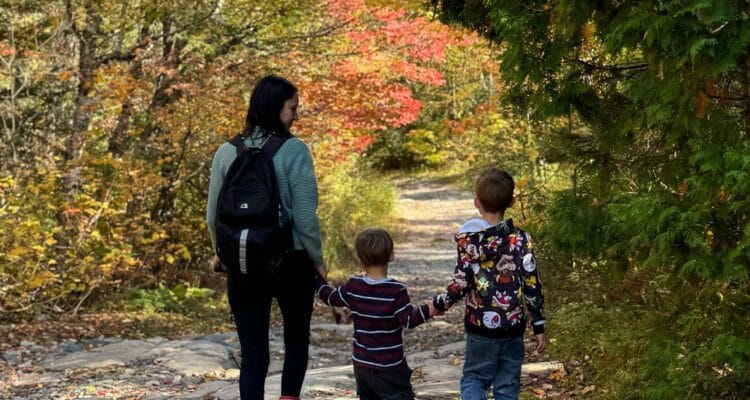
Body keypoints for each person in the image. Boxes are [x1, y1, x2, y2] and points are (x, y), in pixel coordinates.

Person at [206, 75, 326, 400]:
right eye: (292, 108)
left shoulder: (225, 152)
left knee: (253, 351)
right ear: (276, 109)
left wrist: (222, 252)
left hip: (243, 263)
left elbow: (212, 216)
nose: (296, 115)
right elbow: (304, 217)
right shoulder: (295, 150)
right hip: (291, 261)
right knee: (296, 341)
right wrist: (318, 261)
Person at [431, 168, 546, 400]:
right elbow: (531, 282)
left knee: (475, 378)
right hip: (512, 328)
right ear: (511, 202)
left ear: (476, 202)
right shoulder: (521, 239)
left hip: (479, 328)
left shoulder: (469, 242)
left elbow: (461, 283)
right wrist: (538, 323)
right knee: (507, 386)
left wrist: (439, 305)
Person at [313, 228, 436, 400]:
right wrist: (430, 309)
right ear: (392, 255)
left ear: (359, 258)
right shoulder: (395, 290)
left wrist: (317, 278)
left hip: (362, 365)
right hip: (390, 367)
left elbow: (330, 297)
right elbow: (409, 320)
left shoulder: (354, 286)